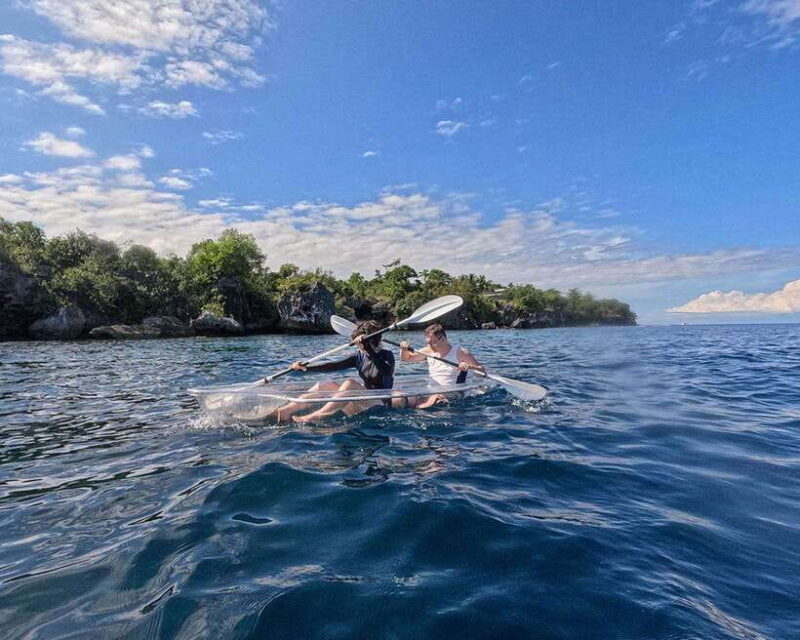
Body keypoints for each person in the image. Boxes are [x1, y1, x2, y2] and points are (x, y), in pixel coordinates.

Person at [271, 320, 395, 423]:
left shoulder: (387, 355)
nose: (359, 346)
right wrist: (307, 368)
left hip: (380, 403)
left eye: (361, 344)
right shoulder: (359, 356)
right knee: (324, 385)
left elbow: (387, 372)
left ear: (370, 341)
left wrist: (369, 349)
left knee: (350, 383)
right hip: (361, 402)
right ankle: (285, 411)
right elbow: (333, 366)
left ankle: (314, 417)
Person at [398, 323, 485, 409]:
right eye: (428, 343)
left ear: (443, 339)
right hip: (431, 393)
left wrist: (469, 366)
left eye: (432, 343)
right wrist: (403, 349)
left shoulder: (460, 352)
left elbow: (481, 372)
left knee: (433, 402)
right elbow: (407, 358)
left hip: (452, 395)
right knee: (399, 400)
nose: (429, 345)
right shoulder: (428, 351)